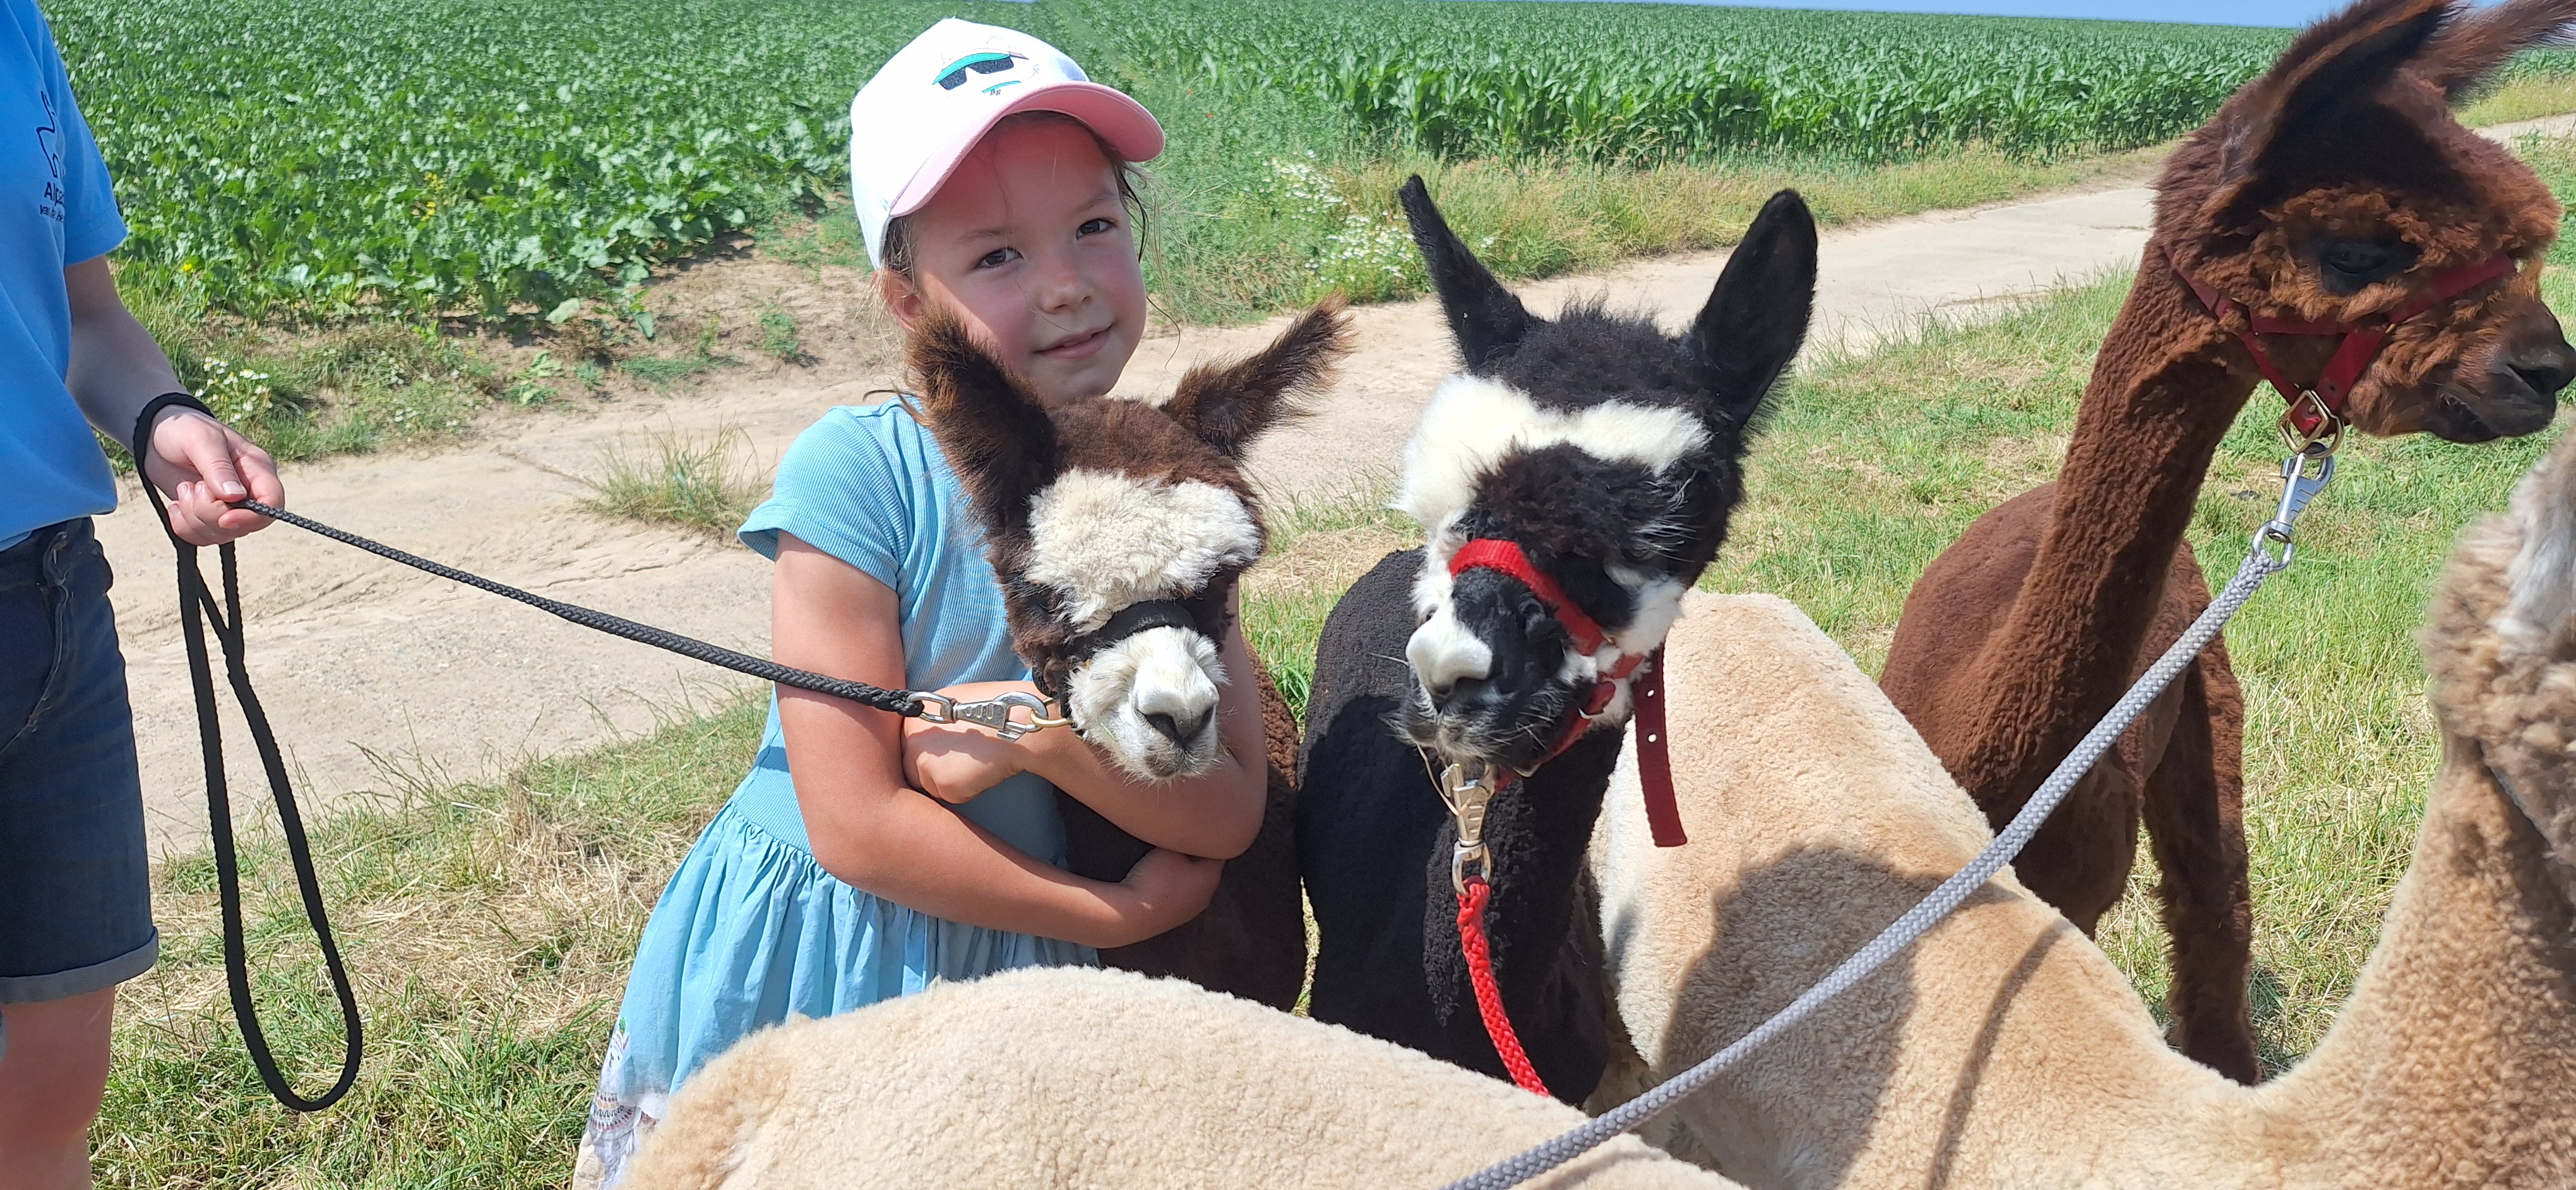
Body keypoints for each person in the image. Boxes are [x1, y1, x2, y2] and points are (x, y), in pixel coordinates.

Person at [573, 20, 1267, 1185]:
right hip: (830, 954)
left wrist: (1031, 732)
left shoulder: (1164, 488)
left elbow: (1228, 808)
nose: (1064, 285)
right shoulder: (858, 475)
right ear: (906, 300)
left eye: (1095, 227)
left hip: (1026, 967)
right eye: (996, 256)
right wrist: (1109, 918)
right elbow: (857, 822)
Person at [0, 0, 285, 1184]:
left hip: (51, 601)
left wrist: (162, 417)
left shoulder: (16, 26)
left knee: (51, 1093)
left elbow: (86, 313)